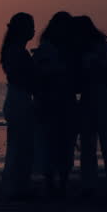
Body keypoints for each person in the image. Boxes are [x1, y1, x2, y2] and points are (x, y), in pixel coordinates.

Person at [73, 16, 107, 196]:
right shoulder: (103, 48)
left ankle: (90, 183)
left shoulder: (88, 51)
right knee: (106, 143)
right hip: (102, 96)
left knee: (89, 144)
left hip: (93, 97)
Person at [32, 11, 76, 197]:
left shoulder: (50, 48)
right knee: (59, 142)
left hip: (55, 100)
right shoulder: (57, 49)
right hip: (56, 100)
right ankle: (57, 181)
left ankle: (55, 181)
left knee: (56, 142)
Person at [0, 12, 36, 199]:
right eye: (31, 26)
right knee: (21, 146)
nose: (34, 30)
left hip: (16, 98)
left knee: (18, 145)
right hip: (19, 98)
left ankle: (16, 185)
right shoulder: (16, 51)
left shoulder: (12, 50)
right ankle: (17, 186)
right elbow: (23, 78)